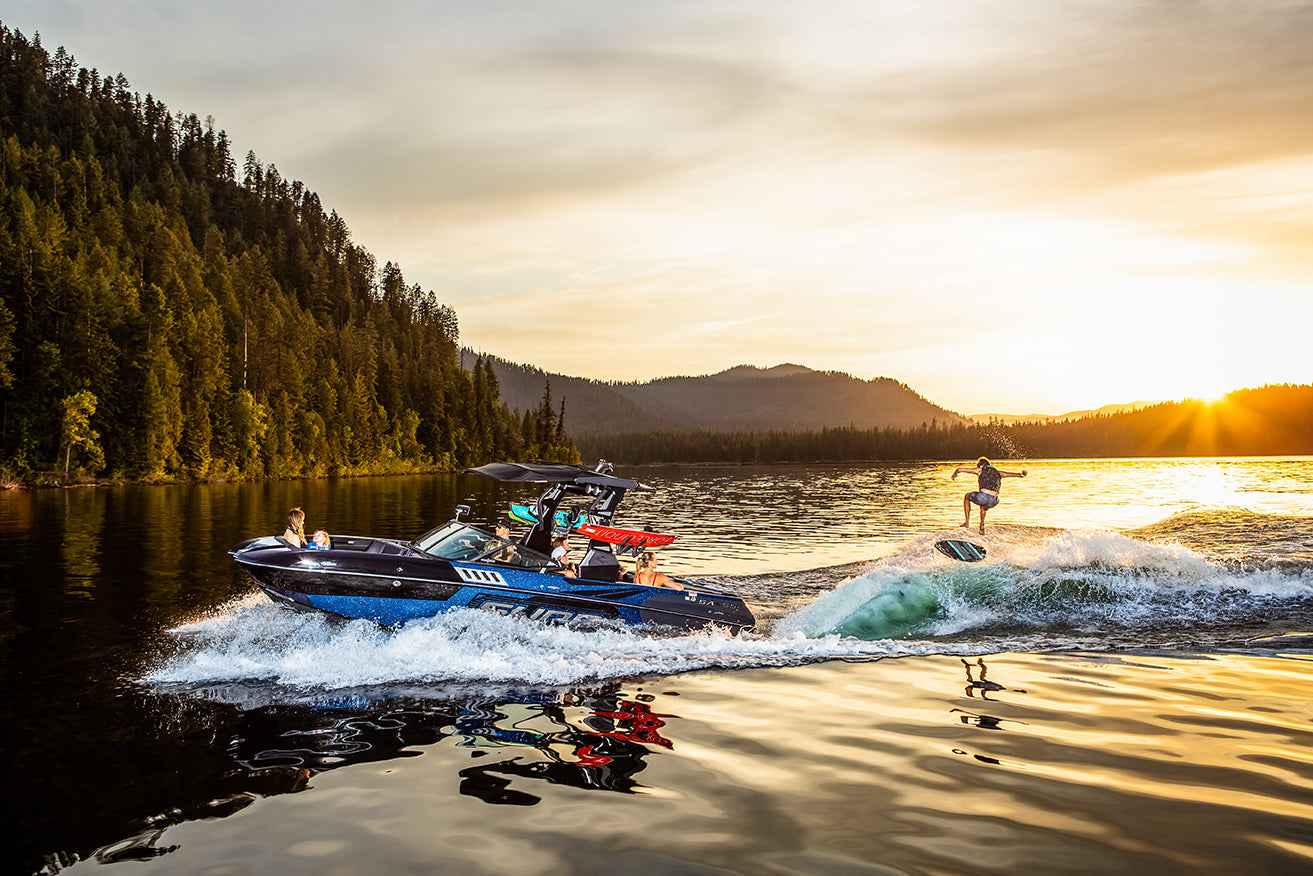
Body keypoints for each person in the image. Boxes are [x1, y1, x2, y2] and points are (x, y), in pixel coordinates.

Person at [952, 456, 1027, 533]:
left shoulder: (980, 470)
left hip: (983, 496)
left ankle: (967, 523)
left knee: (967, 496)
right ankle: (981, 525)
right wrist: (1022, 475)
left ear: (981, 465)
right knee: (983, 507)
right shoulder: (999, 473)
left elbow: (959, 469)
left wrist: (954, 474)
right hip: (994, 501)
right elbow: (1014, 474)